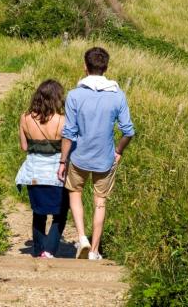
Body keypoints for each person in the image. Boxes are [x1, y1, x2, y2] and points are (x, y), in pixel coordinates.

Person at [58, 47, 135, 260]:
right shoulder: (118, 95)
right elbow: (129, 131)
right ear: (106, 67)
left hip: (79, 155)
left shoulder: (74, 95)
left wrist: (63, 160)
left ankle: (82, 237)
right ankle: (94, 250)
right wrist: (118, 151)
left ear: (85, 66)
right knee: (100, 200)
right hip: (105, 156)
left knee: (75, 193)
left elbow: (69, 133)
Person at [16, 80, 69, 258]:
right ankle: (49, 249)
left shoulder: (25, 118)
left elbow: (24, 147)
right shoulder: (62, 120)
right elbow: (67, 148)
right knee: (60, 213)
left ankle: (39, 250)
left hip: (34, 172)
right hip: (56, 173)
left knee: (38, 212)